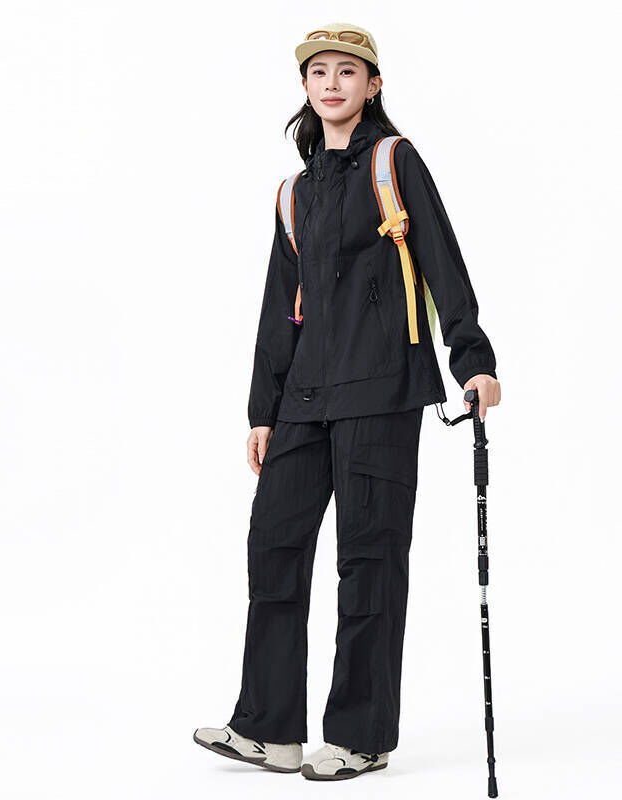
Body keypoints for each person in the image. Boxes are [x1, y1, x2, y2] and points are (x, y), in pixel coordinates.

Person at [194, 22, 501, 781]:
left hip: (382, 388)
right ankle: (270, 729)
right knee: (273, 546)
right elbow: (280, 308)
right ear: (305, 88)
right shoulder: (295, 192)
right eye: (319, 73)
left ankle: (360, 736)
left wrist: (473, 360)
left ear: (373, 84)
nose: (332, 83)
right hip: (304, 396)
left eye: (347, 71)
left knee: (369, 560)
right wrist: (262, 410)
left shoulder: (394, 162)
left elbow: (442, 260)